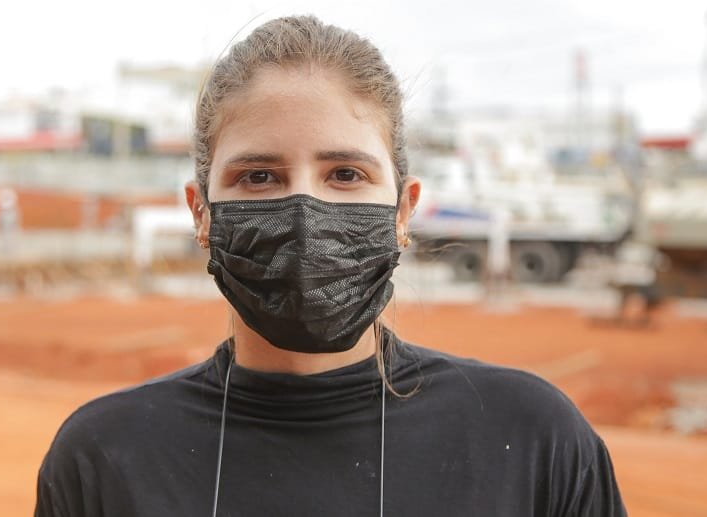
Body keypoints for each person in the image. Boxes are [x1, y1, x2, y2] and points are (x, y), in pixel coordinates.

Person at [35, 15, 625, 516]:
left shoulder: (533, 441)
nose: (303, 215)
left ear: (402, 211)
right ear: (202, 213)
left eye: (346, 174)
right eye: (258, 177)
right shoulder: (104, 459)